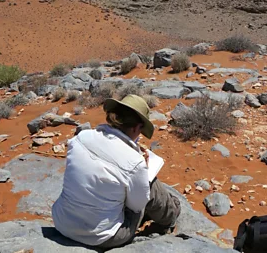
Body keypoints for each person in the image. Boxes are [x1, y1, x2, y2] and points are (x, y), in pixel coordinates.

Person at [52, 94, 181, 249]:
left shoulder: (81, 137)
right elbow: (137, 206)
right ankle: (171, 214)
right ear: (135, 127)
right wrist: (144, 172)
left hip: (62, 222)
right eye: (140, 129)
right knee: (150, 183)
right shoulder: (135, 162)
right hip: (101, 236)